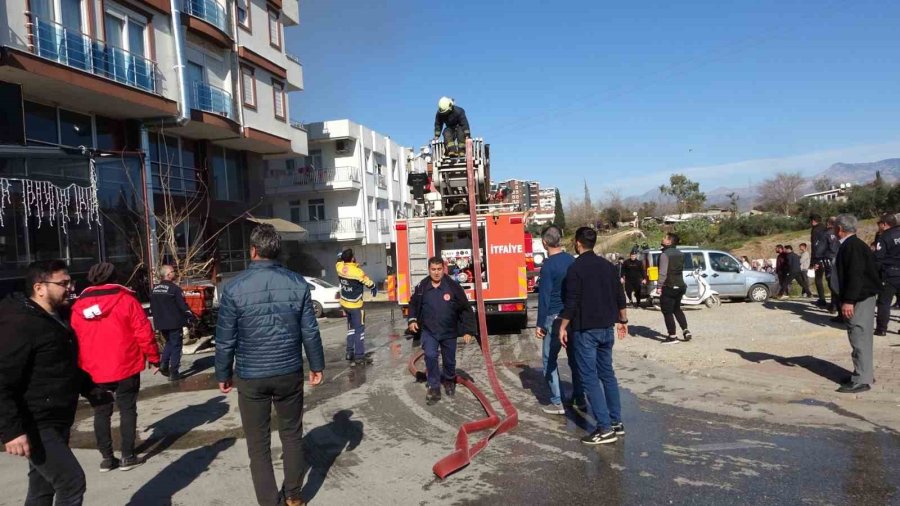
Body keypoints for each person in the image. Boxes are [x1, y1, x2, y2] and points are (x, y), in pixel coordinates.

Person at [215, 224, 325, 506]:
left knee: (258, 445)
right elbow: (309, 331)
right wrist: (316, 365)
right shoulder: (297, 283)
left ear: (253, 250)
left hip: (251, 376)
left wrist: (223, 373)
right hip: (288, 371)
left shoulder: (233, 288)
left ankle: (268, 502)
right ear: (276, 251)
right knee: (291, 435)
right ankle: (294, 496)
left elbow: (225, 339)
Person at [0, 260, 107, 505]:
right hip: (36, 421)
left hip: (56, 416)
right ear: (40, 287)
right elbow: (2, 378)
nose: (70, 288)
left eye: (70, 282)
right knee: (71, 482)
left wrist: (91, 389)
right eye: (63, 283)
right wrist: (12, 431)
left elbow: (59, 366)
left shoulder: (53, 318)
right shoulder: (21, 324)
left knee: (42, 487)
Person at [70, 262, 159, 472]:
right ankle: (128, 455)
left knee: (101, 412)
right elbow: (143, 332)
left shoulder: (78, 307)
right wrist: (154, 358)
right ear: (115, 277)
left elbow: (73, 339)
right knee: (127, 409)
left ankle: (107, 458)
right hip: (125, 364)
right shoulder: (127, 300)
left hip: (93, 368)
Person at [559, 227, 628, 445]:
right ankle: (616, 421)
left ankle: (604, 428)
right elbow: (620, 295)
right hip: (607, 329)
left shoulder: (575, 269)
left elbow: (572, 302)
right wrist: (623, 321)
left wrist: (563, 326)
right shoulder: (608, 267)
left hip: (585, 330)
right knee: (607, 374)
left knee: (590, 378)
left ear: (578, 243)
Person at [407, 257, 476, 403]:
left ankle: (449, 380)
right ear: (429, 269)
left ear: (443, 269)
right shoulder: (422, 286)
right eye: (433, 269)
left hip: (449, 331)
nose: (437, 273)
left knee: (449, 361)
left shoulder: (453, 286)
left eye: (439, 269)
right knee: (431, 356)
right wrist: (412, 319)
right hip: (429, 331)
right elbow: (413, 303)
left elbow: (465, 309)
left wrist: (468, 330)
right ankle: (434, 386)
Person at [832, 214, 880, 393]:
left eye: (834, 228)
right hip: (859, 298)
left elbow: (855, 276)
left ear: (839, 229)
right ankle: (863, 372)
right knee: (860, 337)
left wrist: (849, 301)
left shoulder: (852, 246)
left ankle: (862, 379)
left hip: (858, 299)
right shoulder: (853, 245)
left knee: (859, 336)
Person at [534, 225, 579, 414]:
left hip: (554, 318)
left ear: (545, 242)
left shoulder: (548, 266)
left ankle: (557, 401)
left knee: (549, 360)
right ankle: (580, 398)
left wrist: (539, 324)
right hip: (572, 315)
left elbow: (544, 297)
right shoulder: (572, 260)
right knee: (574, 359)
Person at [150, 264, 196, 381]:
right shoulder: (174, 289)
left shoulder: (154, 289)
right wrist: (190, 316)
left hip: (161, 323)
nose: (174, 273)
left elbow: (152, 307)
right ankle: (174, 371)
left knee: (169, 343)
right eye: (173, 271)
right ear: (168, 274)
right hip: (174, 322)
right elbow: (182, 305)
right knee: (176, 346)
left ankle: (164, 364)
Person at [337, 249, 377, 366]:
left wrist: (342, 257)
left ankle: (349, 352)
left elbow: (339, 260)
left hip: (345, 304)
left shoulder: (339, 267)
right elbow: (368, 282)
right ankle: (359, 356)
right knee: (359, 330)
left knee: (351, 328)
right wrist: (374, 287)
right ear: (353, 258)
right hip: (356, 306)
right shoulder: (357, 272)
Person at [656, 233, 692, 344]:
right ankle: (686, 330)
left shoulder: (664, 255)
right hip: (681, 285)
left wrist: (659, 286)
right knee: (677, 309)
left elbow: (663, 273)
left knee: (667, 311)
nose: (663, 237)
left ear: (669, 242)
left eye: (665, 237)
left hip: (669, 286)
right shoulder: (681, 253)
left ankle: (672, 336)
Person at [873, 213, 900, 336]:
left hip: (890, 273)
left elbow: (878, 258)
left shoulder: (884, 237)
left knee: (884, 302)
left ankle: (881, 328)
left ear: (885, 224)